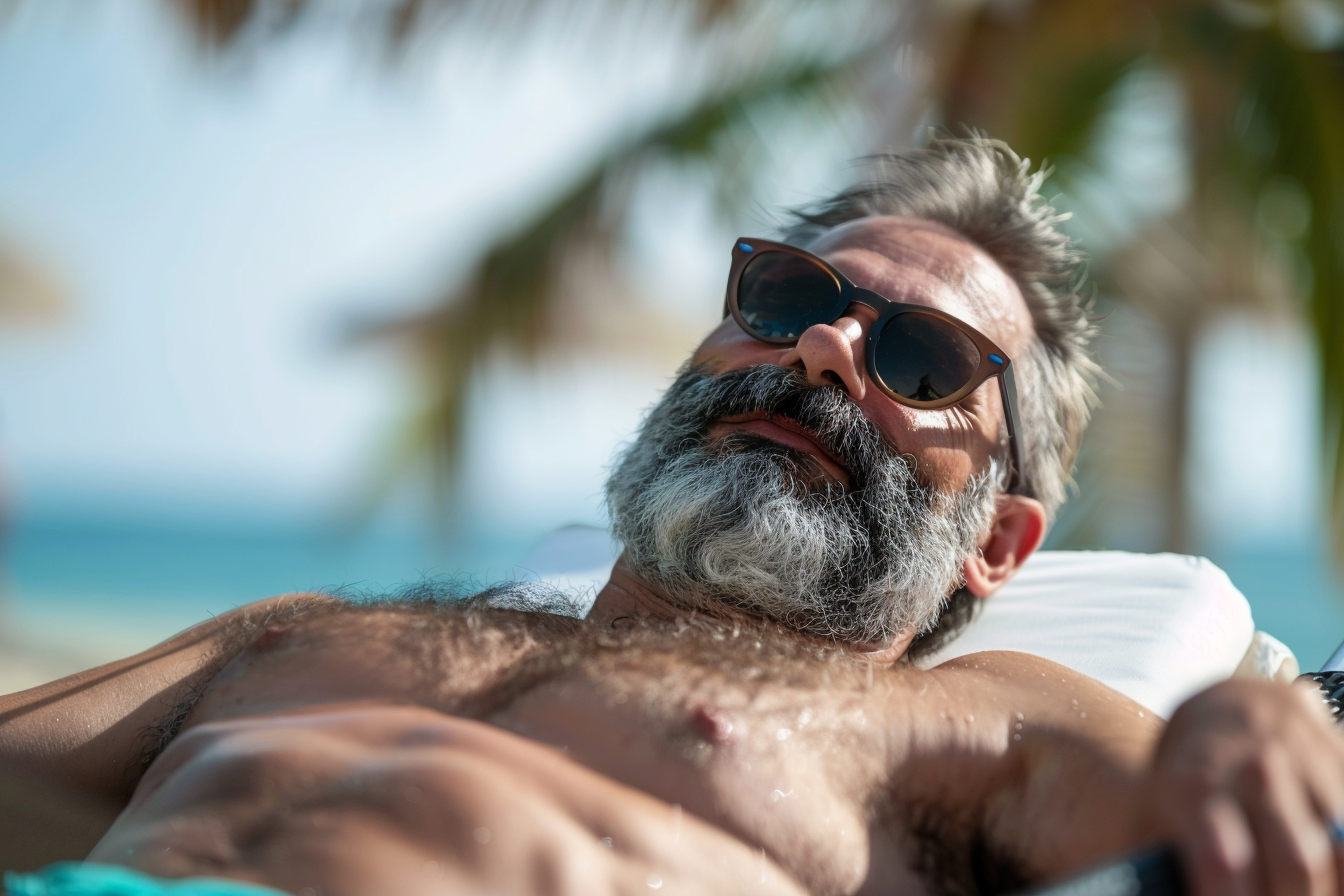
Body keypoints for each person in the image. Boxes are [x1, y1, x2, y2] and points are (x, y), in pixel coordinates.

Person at [3, 135, 1343, 896]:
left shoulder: (955, 723)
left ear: (997, 547)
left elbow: (1209, 805)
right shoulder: (303, 635)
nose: (821, 351)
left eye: (921, 361)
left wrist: (1251, 715)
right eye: (783, 299)